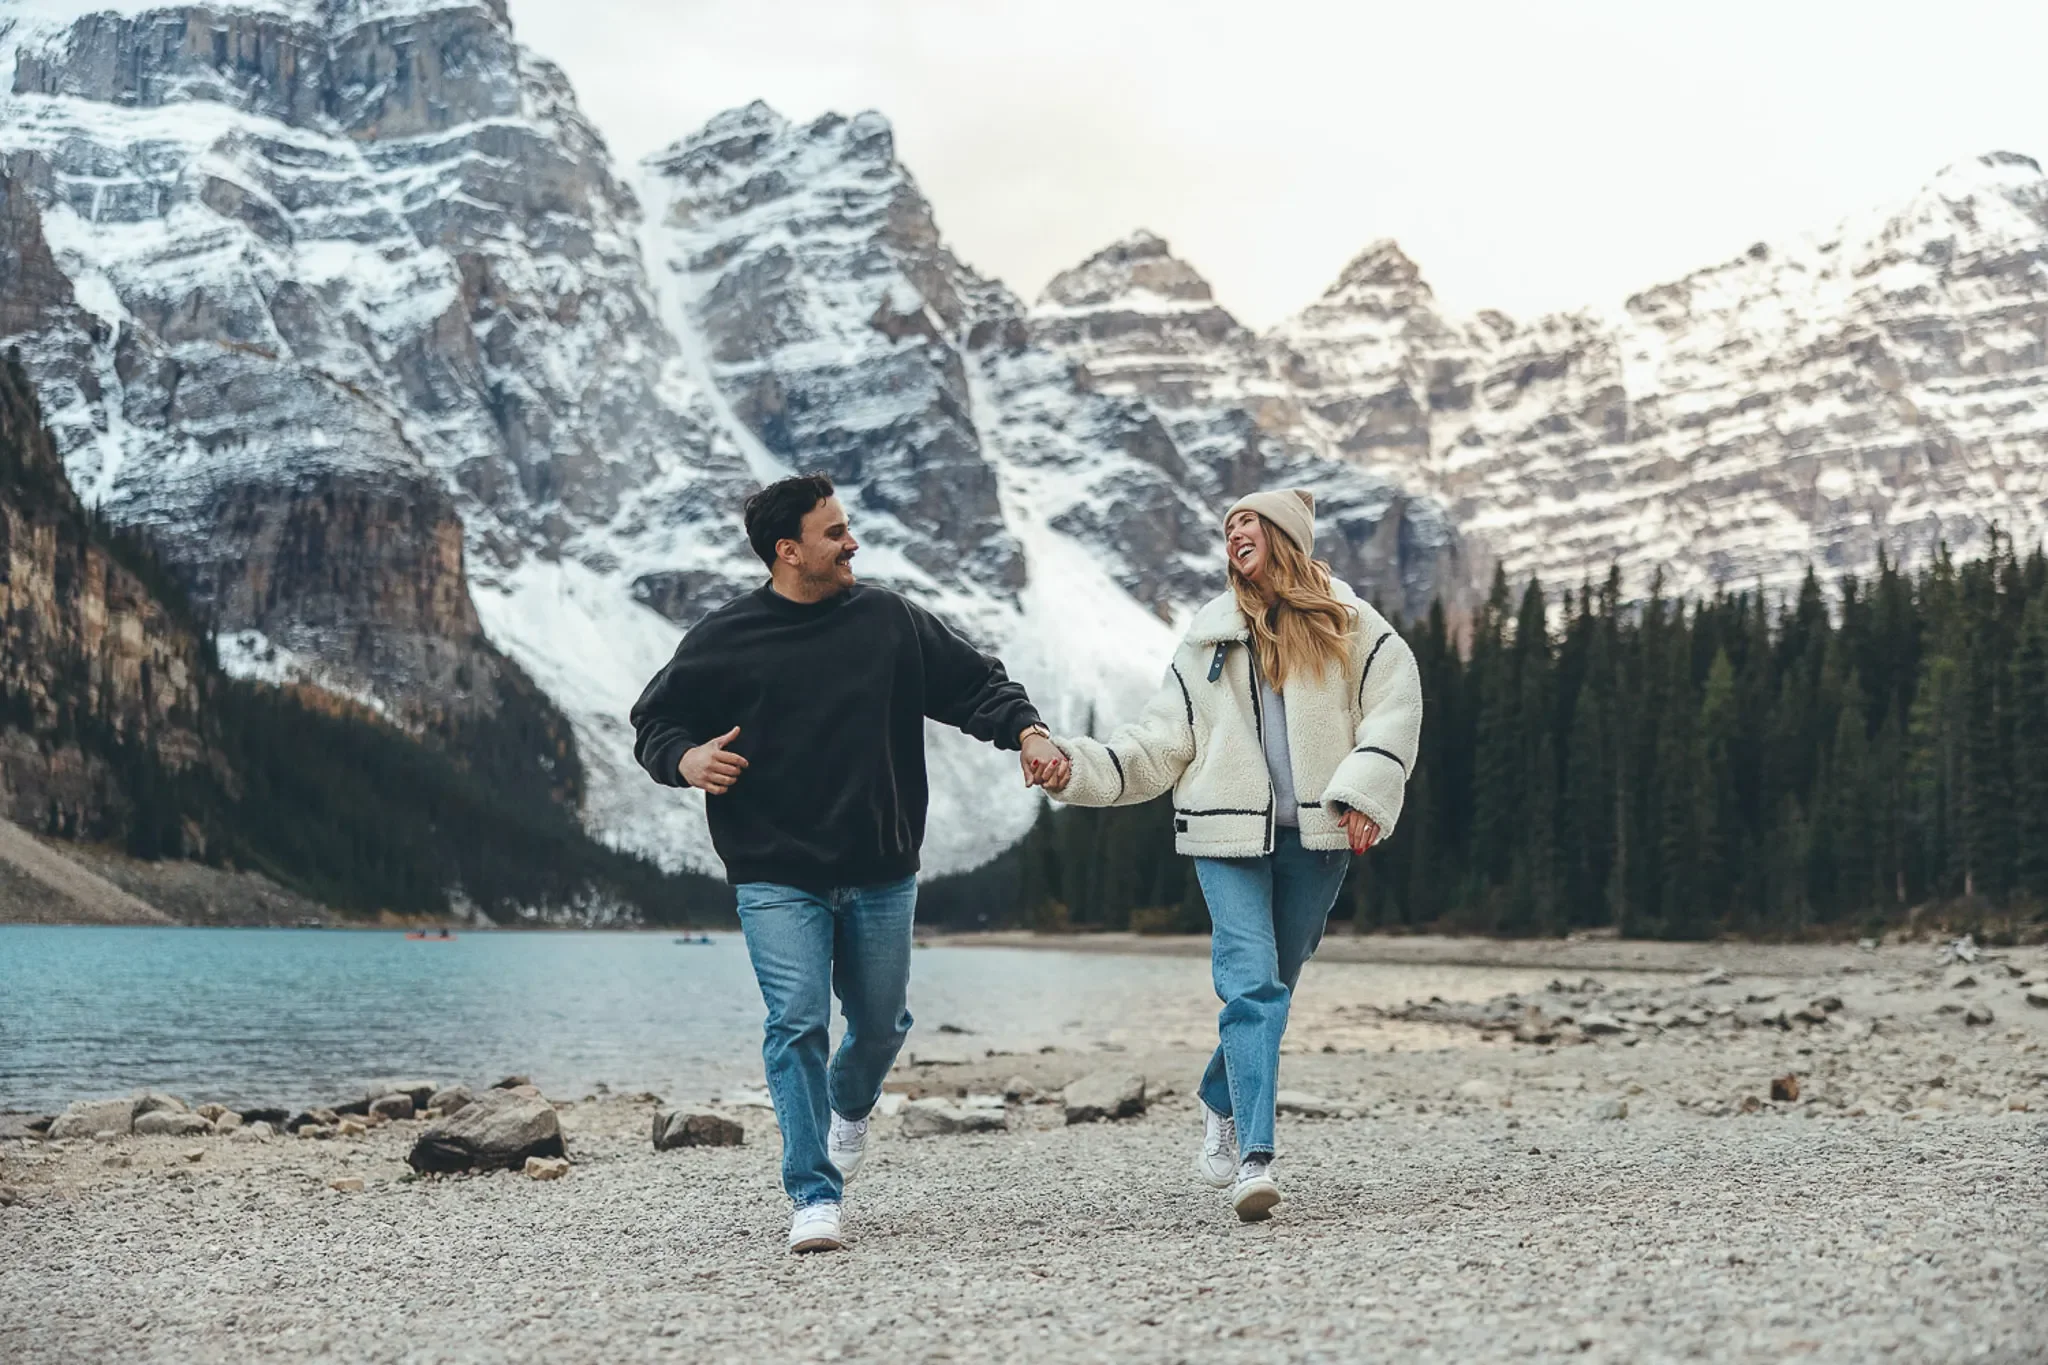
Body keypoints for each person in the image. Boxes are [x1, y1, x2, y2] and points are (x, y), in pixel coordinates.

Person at [630, 473, 1066, 1254]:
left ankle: (850, 1105)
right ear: (787, 551)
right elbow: (654, 719)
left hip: (879, 868)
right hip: (773, 873)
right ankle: (812, 1193)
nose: (851, 541)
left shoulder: (888, 621)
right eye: (833, 532)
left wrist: (1028, 731)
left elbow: (975, 686)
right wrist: (685, 757)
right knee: (795, 1021)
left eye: (846, 526)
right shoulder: (726, 637)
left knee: (879, 1021)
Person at [1034, 489, 1421, 1222]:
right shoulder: (1207, 639)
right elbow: (1155, 746)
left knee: (1276, 981)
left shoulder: (1350, 624)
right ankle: (1255, 1156)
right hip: (1225, 839)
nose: (1235, 532)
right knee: (1250, 987)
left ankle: (1220, 1092)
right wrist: (1071, 767)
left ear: (1284, 536)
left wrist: (1367, 791)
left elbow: (1398, 701)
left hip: (1320, 836)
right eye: (1228, 525)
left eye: (1249, 521)